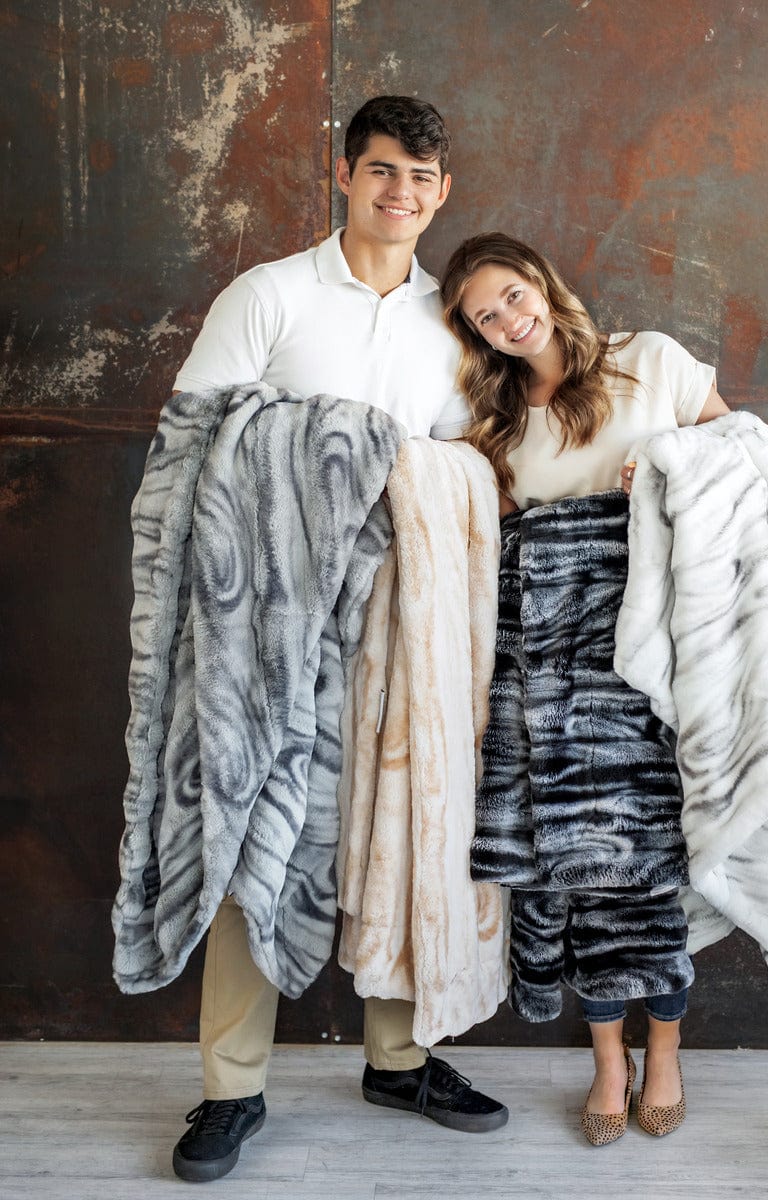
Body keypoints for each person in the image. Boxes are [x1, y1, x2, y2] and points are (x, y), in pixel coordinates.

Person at [168, 98, 507, 1185]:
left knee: (406, 826)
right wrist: (335, 449)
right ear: (346, 175)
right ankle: (231, 1087)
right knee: (253, 839)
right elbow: (190, 448)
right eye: (382, 170)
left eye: (421, 177)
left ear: (442, 193)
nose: (400, 193)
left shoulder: (451, 325)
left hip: (402, 622)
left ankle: (398, 1060)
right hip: (269, 625)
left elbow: (469, 468)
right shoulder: (269, 295)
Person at [440, 231, 730, 1146]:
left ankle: (666, 1049)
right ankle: (609, 1060)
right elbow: (493, 538)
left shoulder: (651, 360)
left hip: (647, 659)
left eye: (511, 295)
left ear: (541, 282)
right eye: (484, 317)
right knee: (570, 868)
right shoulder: (497, 419)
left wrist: (674, 463)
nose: (507, 320)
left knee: (646, 863)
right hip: (547, 665)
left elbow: (745, 453)